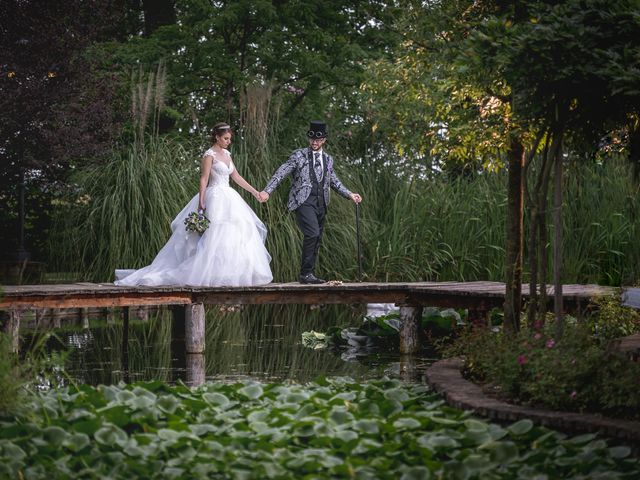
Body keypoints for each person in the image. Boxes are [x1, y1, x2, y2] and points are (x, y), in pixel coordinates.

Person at [115, 122, 273, 286]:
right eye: (225, 138)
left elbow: (236, 177)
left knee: (233, 233)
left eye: (229, 139)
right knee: (215, 232)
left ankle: (227, 273)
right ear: (217, 137)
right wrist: (201, 201)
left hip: (230, 196)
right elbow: (204, 178)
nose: (228, 141)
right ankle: (206, 272)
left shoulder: (227, 154)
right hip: (215, 196)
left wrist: (255, 192)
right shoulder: (209, 154)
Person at [259, 120, 362, 284]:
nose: (315, 142)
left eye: (318, 140)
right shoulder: (298, 155)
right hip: (303, 200)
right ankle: (305, 273)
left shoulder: (328, 159)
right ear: (309, 139)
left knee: (317, 238)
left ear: (324, 140)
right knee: (312, 233)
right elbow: (282, 172)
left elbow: (333, 181)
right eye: (312, 139)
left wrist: (349, 194)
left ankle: (308, 274)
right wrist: (267, 190)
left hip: (321, 202)